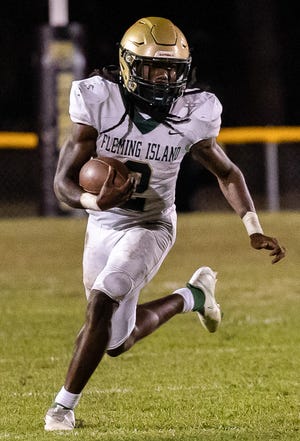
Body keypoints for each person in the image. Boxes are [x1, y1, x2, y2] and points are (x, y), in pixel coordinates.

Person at [44, 16, 286, 431]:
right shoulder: (99, 99)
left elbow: (228, 173)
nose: (162, 78)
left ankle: (62, 408)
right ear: (127, 65)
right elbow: (62, 183)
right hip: (103, 224)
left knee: (103, 301)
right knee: (116, 341)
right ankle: (193, 296)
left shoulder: (195, 112)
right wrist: (92, 200)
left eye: (172, 69)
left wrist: (253, 226)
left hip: (152, 225)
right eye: (152, 67)